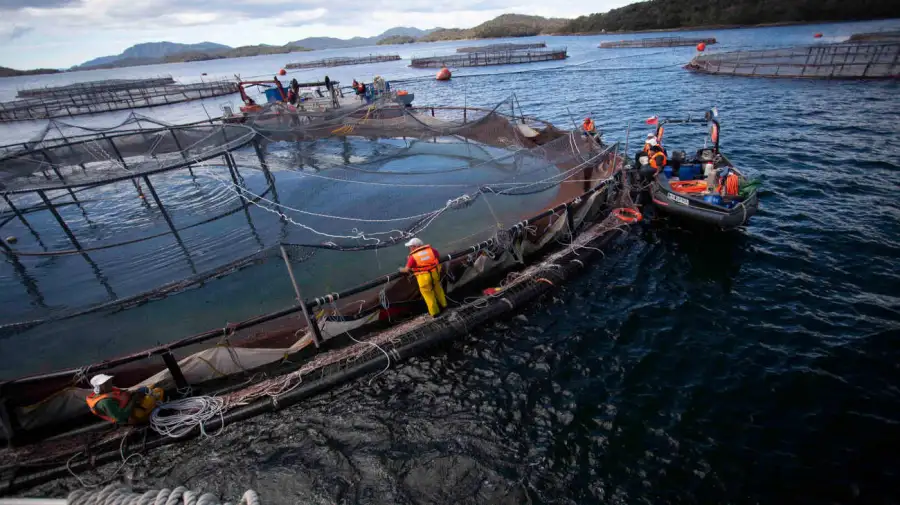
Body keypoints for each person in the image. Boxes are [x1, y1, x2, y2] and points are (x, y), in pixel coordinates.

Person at [86, 374, 164, 425]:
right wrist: (134, 399)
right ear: (100, 387)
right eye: (106, 383)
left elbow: (122, 394)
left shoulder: (108, 390)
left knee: (151, 388)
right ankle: (150, 416)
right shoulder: (106, 402)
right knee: (157, 393)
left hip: (129, 403)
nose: (110, 383)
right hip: (129, 416)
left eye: (109, 381)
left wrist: (134, 393)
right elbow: (121, 416)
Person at [398, 238, 447, 317]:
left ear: (415, 246)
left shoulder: (413, 256)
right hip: (434, 274)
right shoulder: (431, 250)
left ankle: (435, 313)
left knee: (428, 295)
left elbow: (406, 270)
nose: (409, 248)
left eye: (410, 247)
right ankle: (444, 306)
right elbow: (437, 257)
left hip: (423, 278)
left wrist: (400, 269)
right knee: (438, 290)